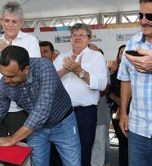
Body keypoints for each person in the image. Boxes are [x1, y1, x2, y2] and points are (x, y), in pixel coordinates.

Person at [0, 45, 81, 166]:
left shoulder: (44, 67)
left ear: (26, 70)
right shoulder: (4, 84)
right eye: (3, 75)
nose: (6, 80)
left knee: (72, 163)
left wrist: (12, 139)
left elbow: (41, 111)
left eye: (11, 76)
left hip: (63, 124)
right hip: (35, 130)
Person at [53, 23, 107, 166]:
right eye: (74, 35)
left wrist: (79, 71)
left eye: (81, 34)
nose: (77, 37)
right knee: (59, 152)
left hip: (84, 113)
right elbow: (50, 81)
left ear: (89, 39)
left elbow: (102, 84)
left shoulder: (96, 57)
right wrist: (65, 70)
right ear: (70, 38)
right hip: (61, 112)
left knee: (83, 151)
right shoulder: (61, 58)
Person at [0, 1, 40, 138]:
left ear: (22, 22)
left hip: (20, 107)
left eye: (14, 21)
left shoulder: (31, 41)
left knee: (20, 150)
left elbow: (30, 75)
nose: (10, 25)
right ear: (1, 21)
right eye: (7, 20)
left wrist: (6, 52)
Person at [118, 0, 152, 166]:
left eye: (149, 16)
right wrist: (124, 112)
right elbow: (126, 79)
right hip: (138, 129)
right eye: (140, 15)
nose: (143, 21)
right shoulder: (132, 43)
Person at [89, 44, 111, 166]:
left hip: (99, 113)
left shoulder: (103, 67)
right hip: (82, 114)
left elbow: (105, 89)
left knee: (99, 144)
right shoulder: (78, 66)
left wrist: (87, 87)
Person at [109, 44, 128, 166]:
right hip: (117, 111)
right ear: (119, 56)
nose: (124, 54)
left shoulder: (139, 72)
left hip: (134, 111)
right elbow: (108, 92)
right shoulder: (113, 74)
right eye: (121, 52)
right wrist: (120, 102)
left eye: (126, 52)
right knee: (122, 142)